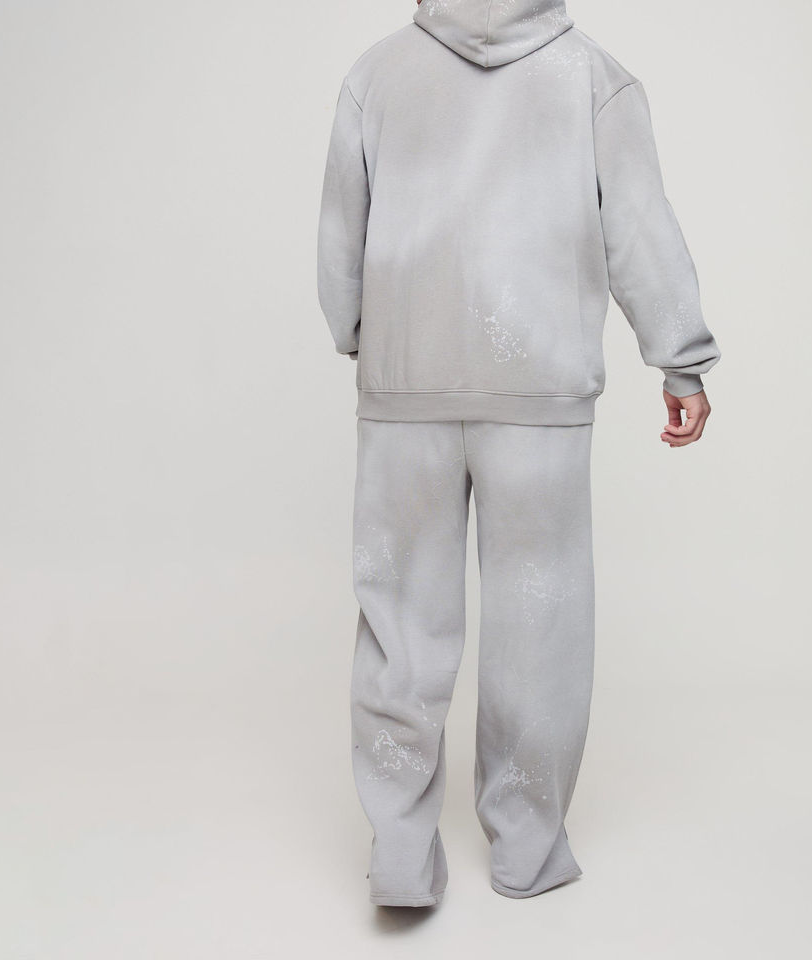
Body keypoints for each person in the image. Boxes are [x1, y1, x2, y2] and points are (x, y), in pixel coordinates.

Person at [317, 0, 721, 907]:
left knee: (400, 625)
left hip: (406, 389)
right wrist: (681, 360)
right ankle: (526, 851)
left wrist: (360, 336)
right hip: (540, 394)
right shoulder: (593, 77)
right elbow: (640, 227)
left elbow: (342, 226)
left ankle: (399, 850)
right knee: (540, 630)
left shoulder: (377, 74)